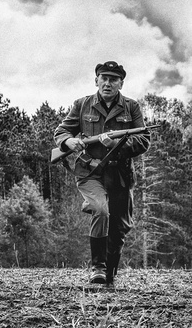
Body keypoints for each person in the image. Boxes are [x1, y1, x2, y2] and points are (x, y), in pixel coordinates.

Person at [54, 61, 150, 285]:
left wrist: (116, 144)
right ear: (96, 80)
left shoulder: (132, 107)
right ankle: (97, 267)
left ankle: (109, 274)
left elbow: (144, 140)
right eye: (103, 78)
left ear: (121, 83)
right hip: (90, 171)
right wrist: (69, 141)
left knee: (119, 227)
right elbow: (61, 131)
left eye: (113, 79)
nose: (108, 83)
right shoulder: (82, 105)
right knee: (100, 209)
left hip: (119, 175)